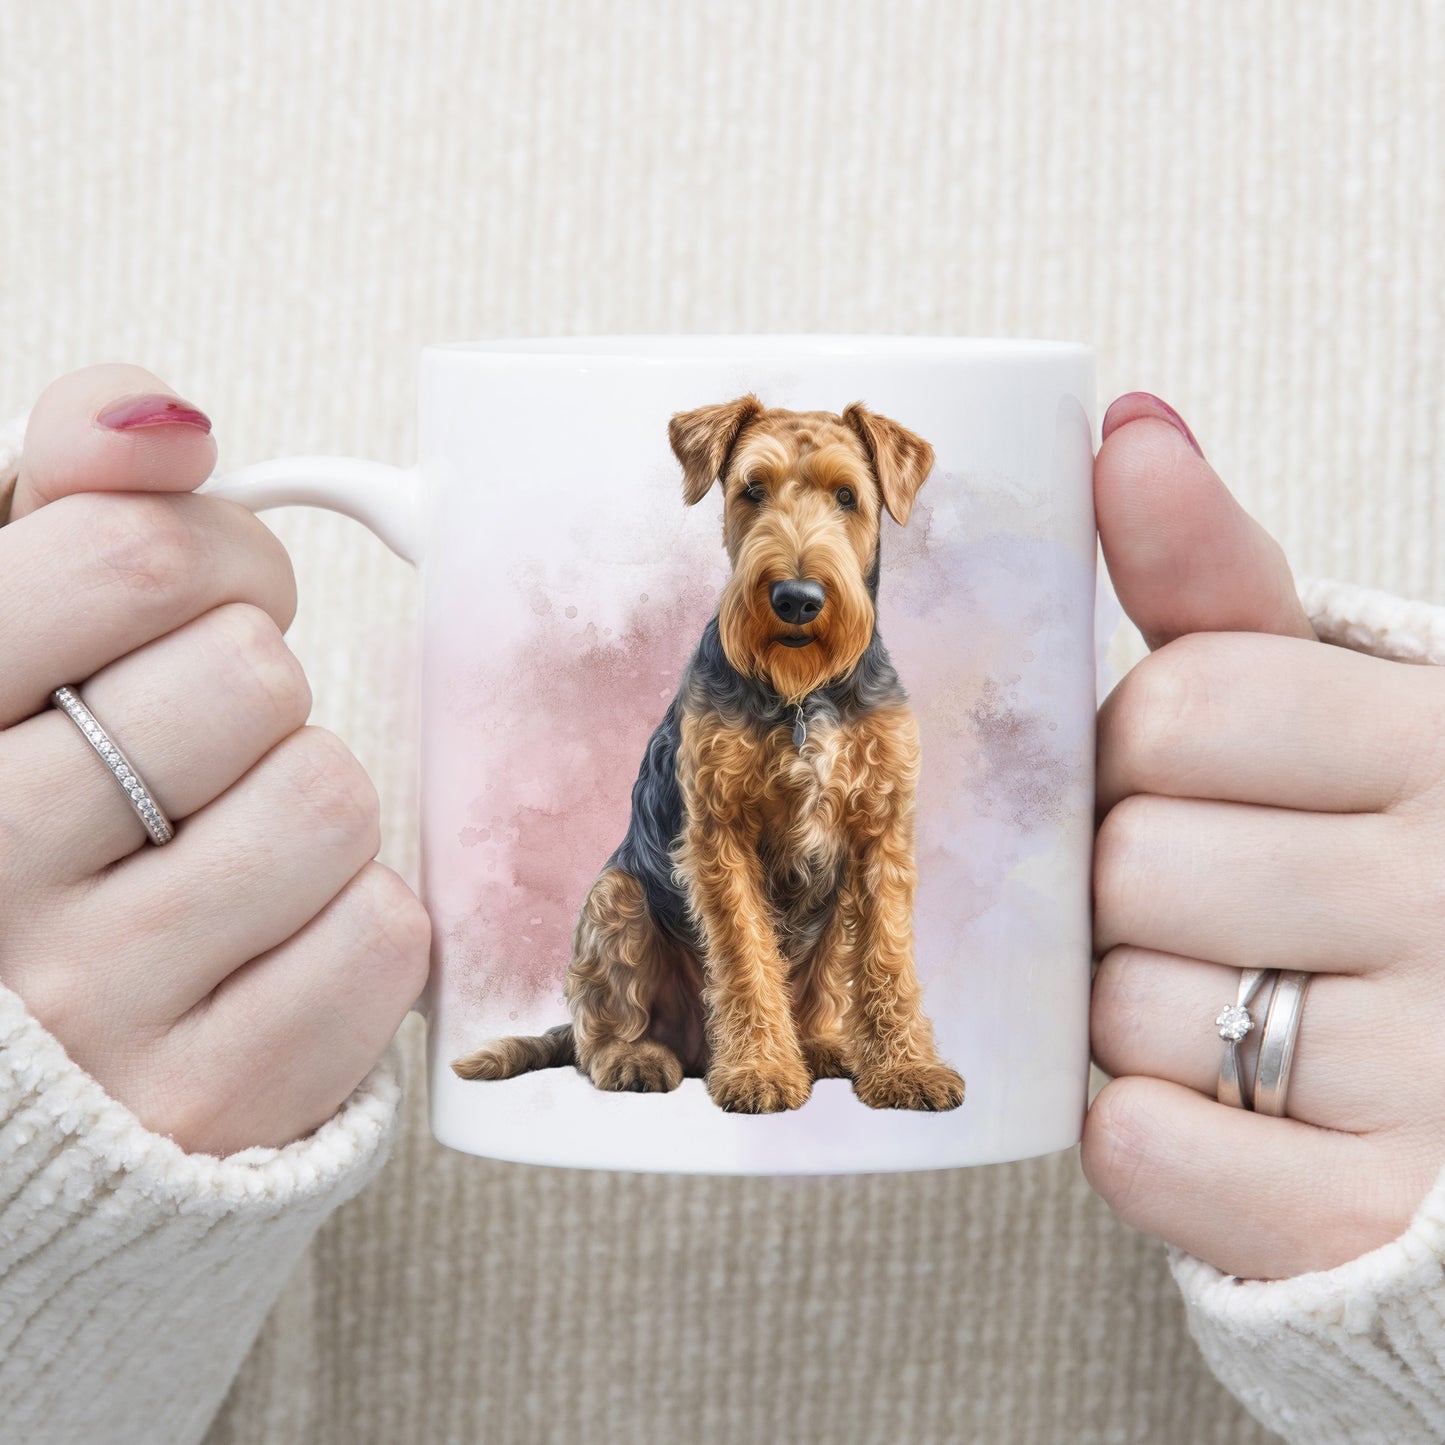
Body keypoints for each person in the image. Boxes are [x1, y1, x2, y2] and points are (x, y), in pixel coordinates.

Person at [2, 365, 1444, 1445]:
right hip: (666, 949)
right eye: (756, 494)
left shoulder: (881, 712)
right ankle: (660, 1036)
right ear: (713, 486)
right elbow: (704, 878)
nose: (794, 550)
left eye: (839, 501)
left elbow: (878, 885)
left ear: (888, 496)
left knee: (874, 872)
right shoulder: (714, 702)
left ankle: (874, 1041)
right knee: (661, 885)